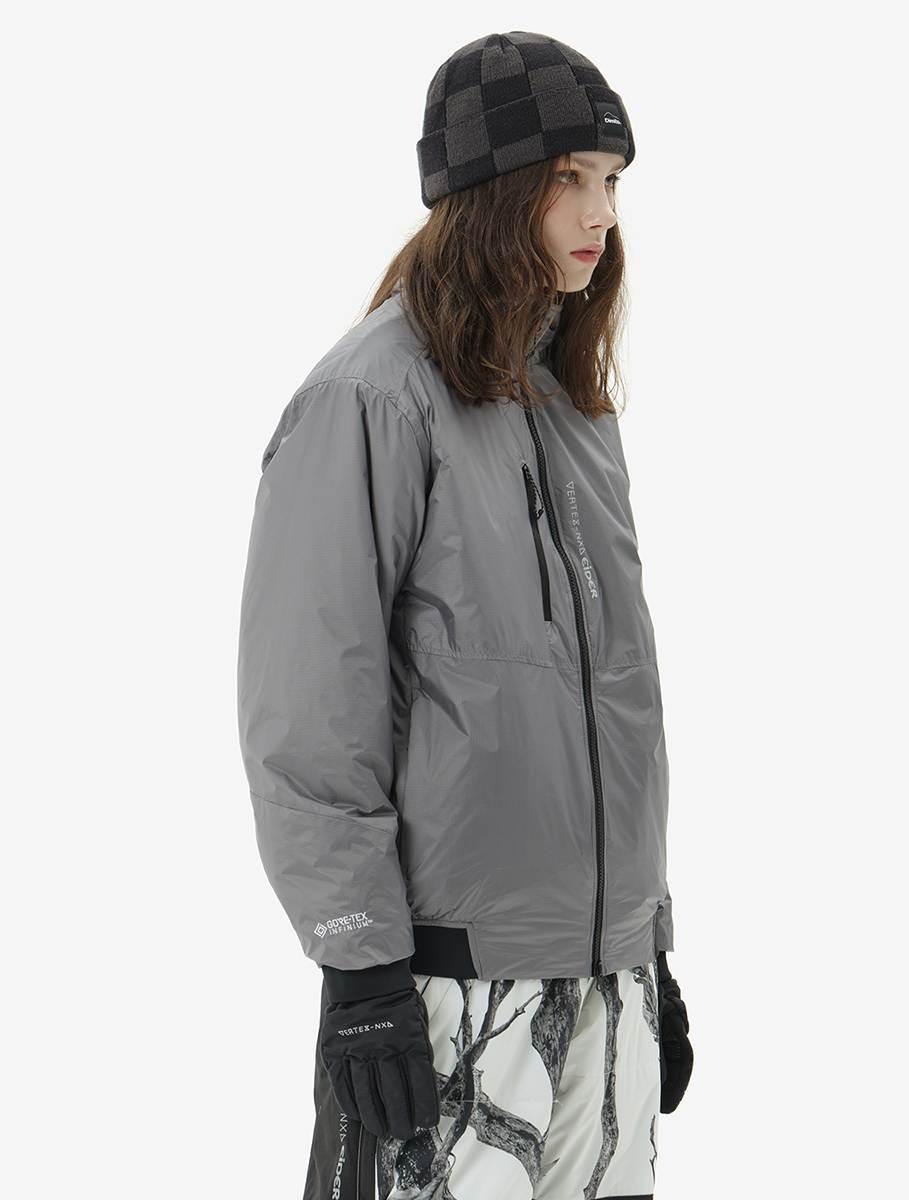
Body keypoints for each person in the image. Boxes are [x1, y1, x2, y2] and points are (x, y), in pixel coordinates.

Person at [238, 31, 693, 1200]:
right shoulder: (371, 397)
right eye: (569, 178)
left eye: (613, 179)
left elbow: (614, 701)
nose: (601, 214)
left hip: (604, 990)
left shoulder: (573, 404)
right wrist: (361, 971)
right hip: (451, 988)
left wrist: (646, 940)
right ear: (489, 193)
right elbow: (308, 706)